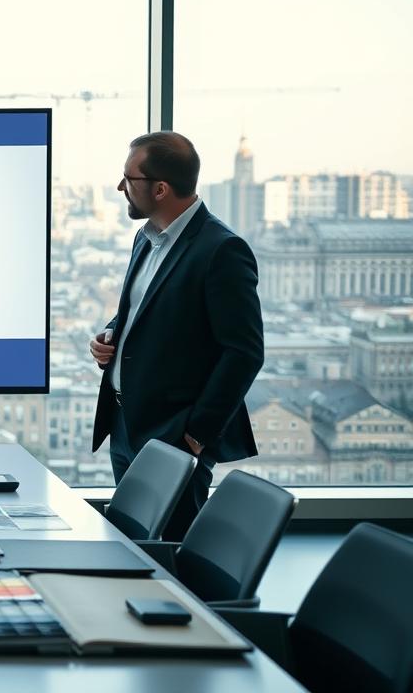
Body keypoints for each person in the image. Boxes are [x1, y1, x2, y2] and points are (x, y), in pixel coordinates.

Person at [90, 131, 264, 541]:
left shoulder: (222, 250)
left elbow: (244, 351)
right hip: (126, 423)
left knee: (171, 555)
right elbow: (142, 310)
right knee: (136, 545)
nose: (121, 188)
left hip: (175, 434)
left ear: (161, 188)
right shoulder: (146, 236)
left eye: (128, 179)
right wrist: (111, 335)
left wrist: (196, 434)